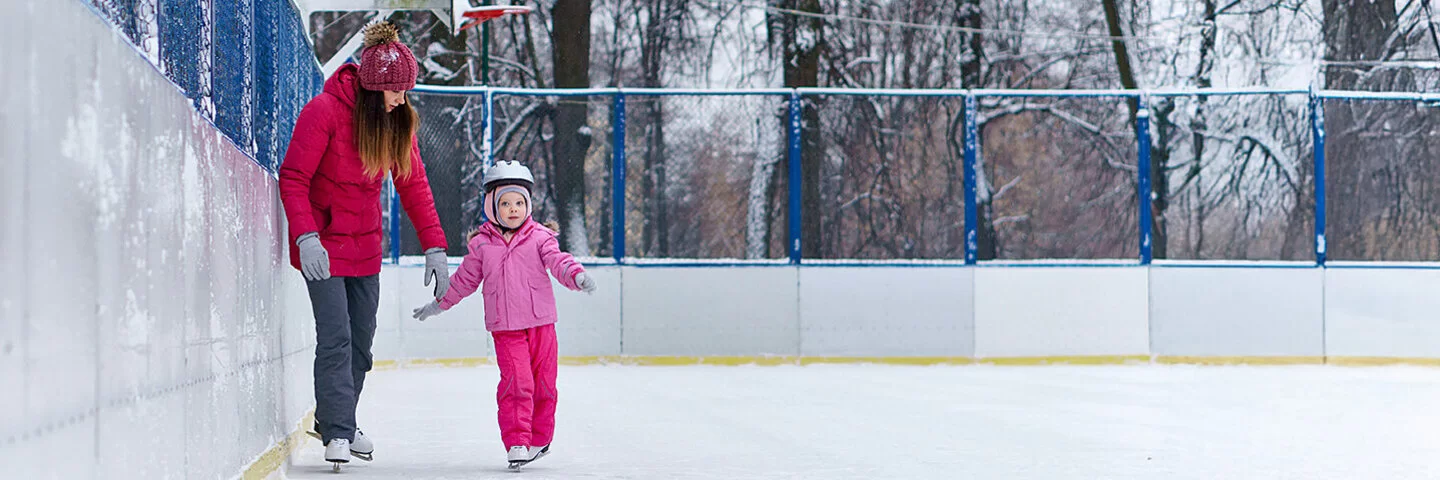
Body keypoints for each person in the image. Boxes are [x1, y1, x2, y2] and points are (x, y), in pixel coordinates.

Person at [278, 21, 452, 466]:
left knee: (360, 343)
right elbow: (294, 178)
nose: (402, 99)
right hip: (322, 247)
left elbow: (415, 186)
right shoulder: (324, 112)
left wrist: (434, 245)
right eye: (396, 92)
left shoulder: (395, 124)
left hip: (364, 248)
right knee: (335, 337)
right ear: (375, 89)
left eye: (406, 91)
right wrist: (306, 235)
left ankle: (339, 416)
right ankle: (337, 432)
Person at [411, 160, 597, 469]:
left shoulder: (541, 238)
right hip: (507, 329)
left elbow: (558, 261)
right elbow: (464, 281)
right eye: (505, 203)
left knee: (545, 385)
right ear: (491, 206)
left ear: (529, 205)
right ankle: (517, 442)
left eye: (519, 202)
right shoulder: (482, 246)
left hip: (542, 326)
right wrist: (438, 304)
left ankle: (539, 438)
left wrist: (575, 276)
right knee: (517, 383)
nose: (513, 209)